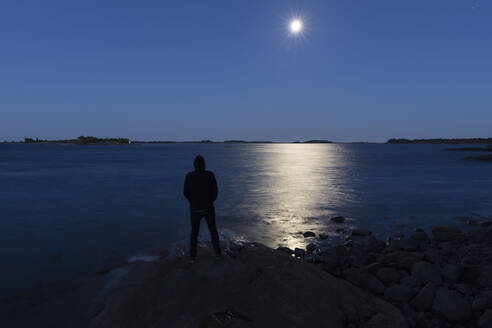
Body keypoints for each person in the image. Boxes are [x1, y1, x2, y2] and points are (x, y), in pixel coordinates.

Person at [183, 155, 221, 261]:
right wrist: (210, 201)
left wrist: (193, 201)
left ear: (194, 165)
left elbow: (185, 192)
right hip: (208, 208)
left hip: (195, 209)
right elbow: (215, 191)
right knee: (213, 230)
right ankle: (217, 253)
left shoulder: (189, 176)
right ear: (204, 164)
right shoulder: (209, 175)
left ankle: (192, 256)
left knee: (194, 232)